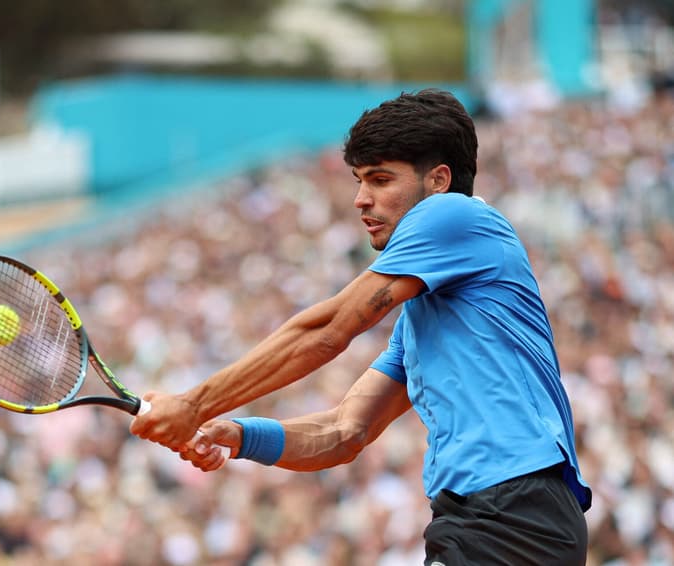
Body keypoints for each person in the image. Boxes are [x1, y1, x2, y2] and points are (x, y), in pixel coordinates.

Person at [130, 89, 592, 565]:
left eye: (380, 179)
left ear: (438, 180)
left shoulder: (454, 213)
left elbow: (330, 328)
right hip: (499, 518)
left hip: (512, 513)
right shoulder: (423, 318)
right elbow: (344, 431)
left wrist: (193, 403)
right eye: (359, 180)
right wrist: (239, 434)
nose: (360, 199)